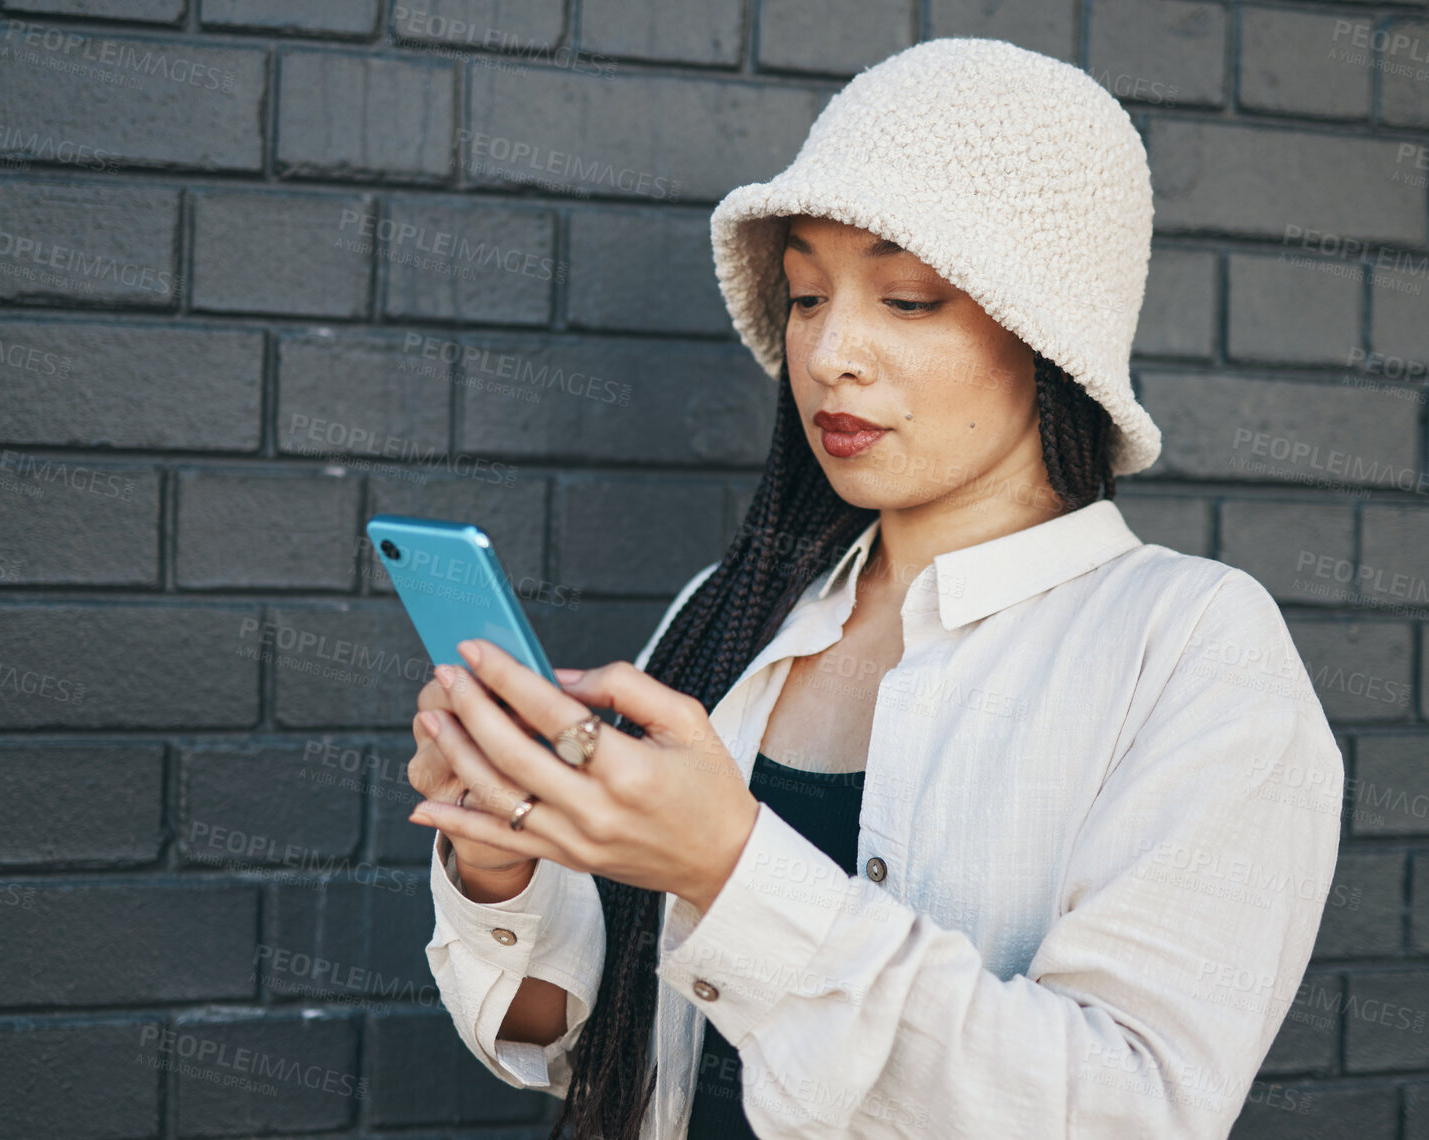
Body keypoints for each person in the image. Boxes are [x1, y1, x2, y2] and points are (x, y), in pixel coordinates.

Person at [404, 36, 1344, 1140]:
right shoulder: (731, 615)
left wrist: (732, 866)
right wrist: (502, 864)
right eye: (807, 295)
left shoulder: (1190, 647)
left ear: (1048, 336)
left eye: (905, 298)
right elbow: (590, 1051)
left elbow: (1126, 1110)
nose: (830, 352)